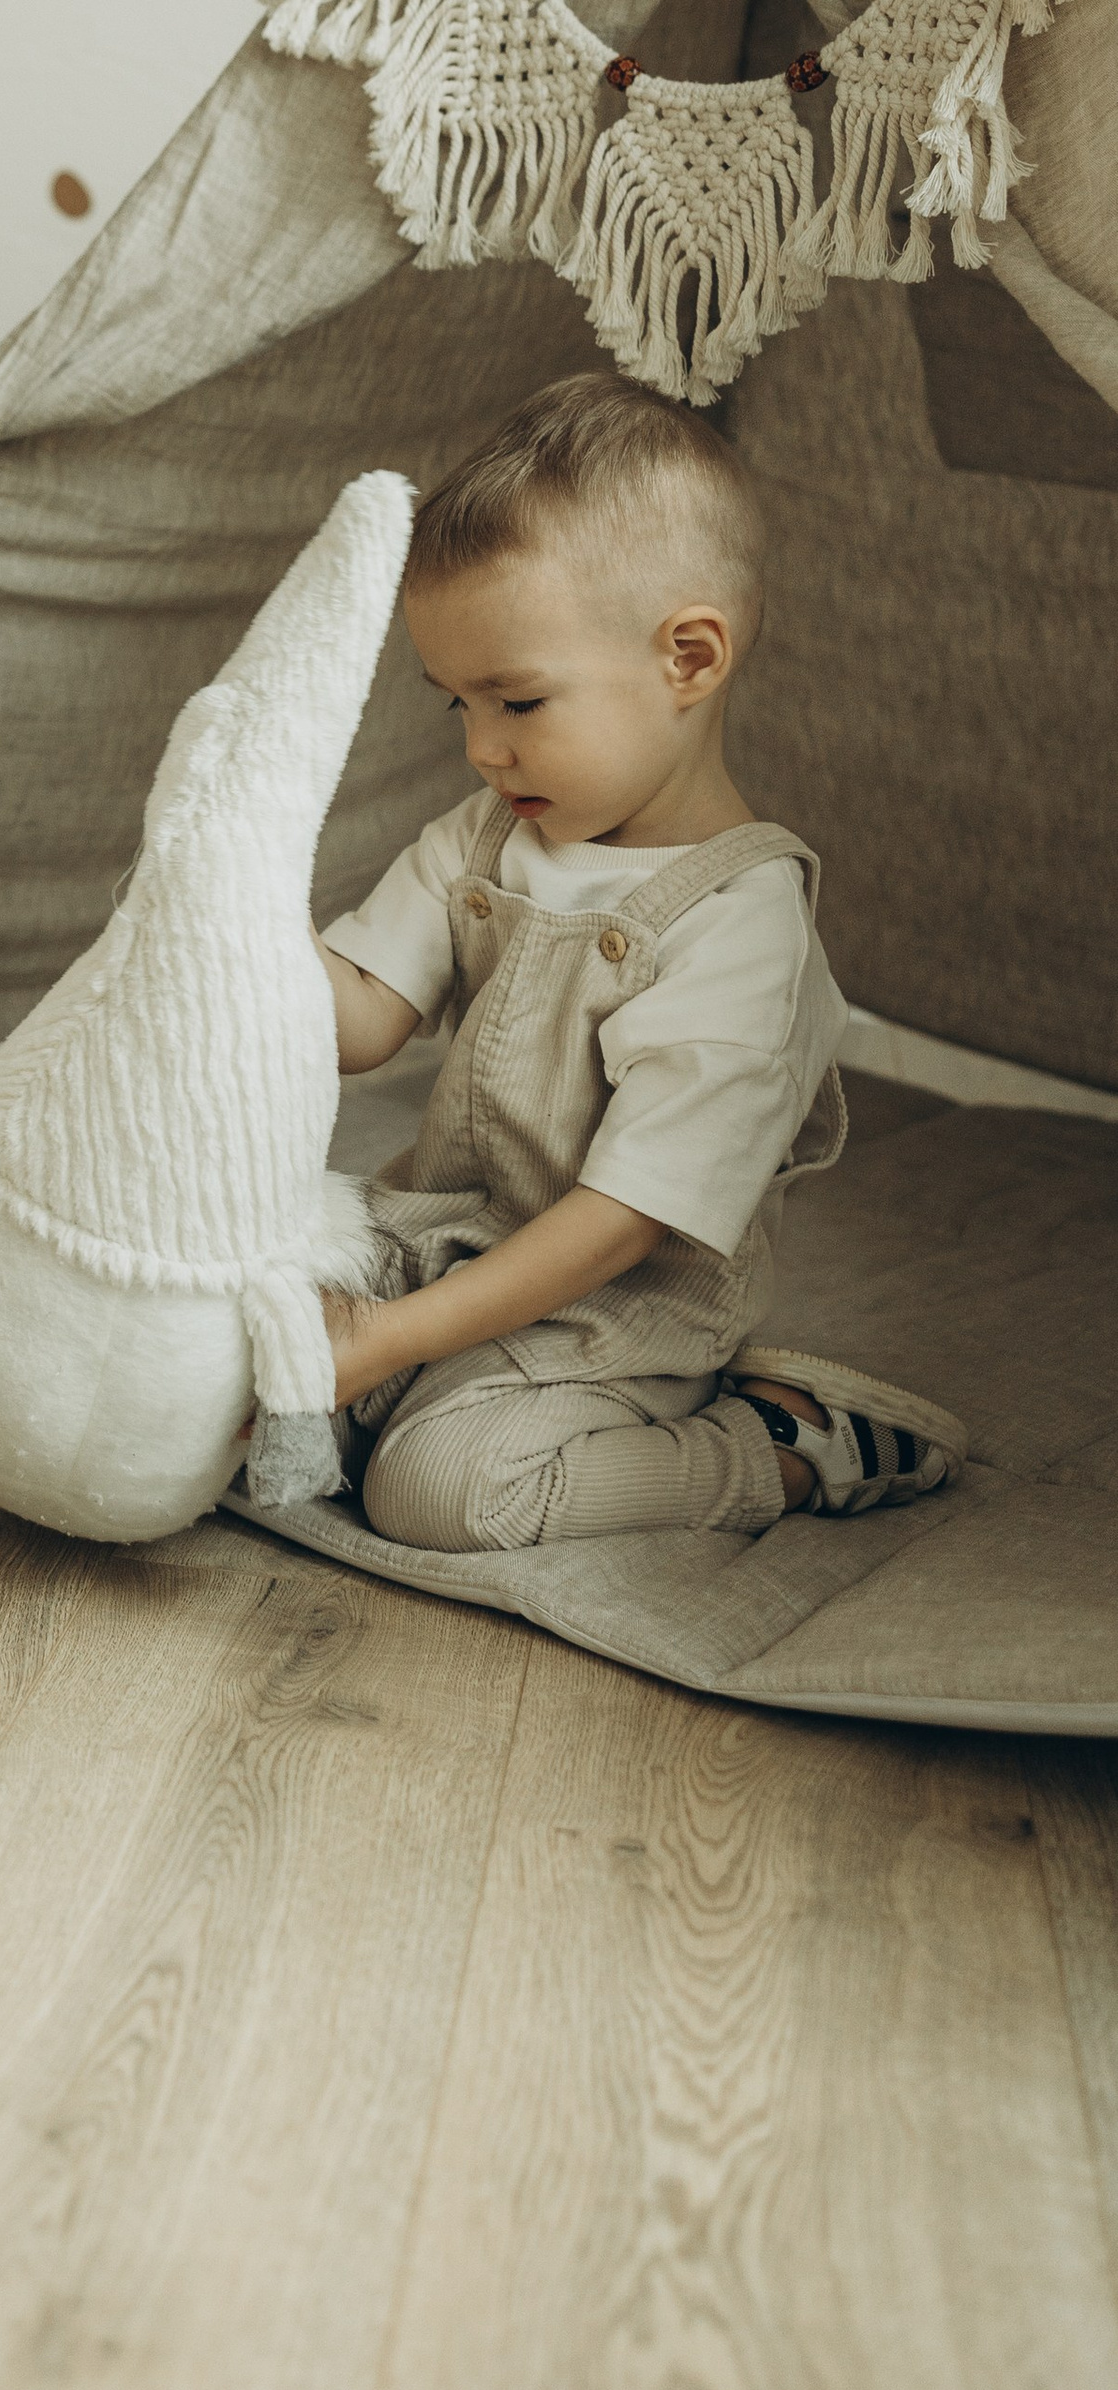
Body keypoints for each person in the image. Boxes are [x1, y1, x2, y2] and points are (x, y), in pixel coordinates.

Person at [303, 374, 963, 1552]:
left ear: (688, 659)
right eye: (456, 705)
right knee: (208, 1338)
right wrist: (237, 931)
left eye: (516, 701)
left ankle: (777, 1445)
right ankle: (387, 1388)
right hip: (438, 1236)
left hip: (606, 1308)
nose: (482, 747)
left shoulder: (741, 931)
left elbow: (621, 1223)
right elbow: (359, 1022)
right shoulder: (485, 837)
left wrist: (387, 1343)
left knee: (439, 1492)